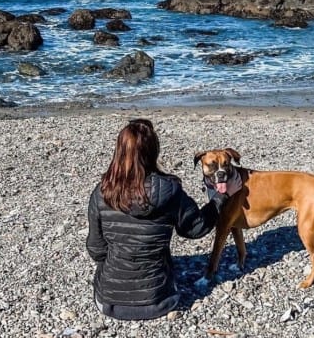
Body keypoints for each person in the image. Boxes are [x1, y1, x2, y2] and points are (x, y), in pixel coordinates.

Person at [86, 118, 230, 320]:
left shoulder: (102, 193)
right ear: (154, 150)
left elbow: (96, 250)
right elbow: (196, 228)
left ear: (119, 151)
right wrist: (219, 198)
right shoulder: (169, 190)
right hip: (161, 300)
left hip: (109, 302)